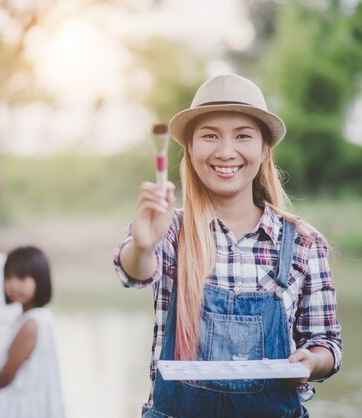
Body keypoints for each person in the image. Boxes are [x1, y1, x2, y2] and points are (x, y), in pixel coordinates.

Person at [113, 73, 342, 418]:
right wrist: (144, 246)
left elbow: (327, 344)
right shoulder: (171, 229)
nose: (225, 151)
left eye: (243, 136)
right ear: (190, 148)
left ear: (264, 149)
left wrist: (313, 361)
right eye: (209, 136)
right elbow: (134, 273)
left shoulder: (304, 244)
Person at [0, 246, 64, 418]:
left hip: (22, 408)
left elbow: (8, 373)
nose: (13, 285)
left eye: (21, 278)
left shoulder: (32, 324)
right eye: (9, 278)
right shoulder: (37, 317)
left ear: (39, 279)